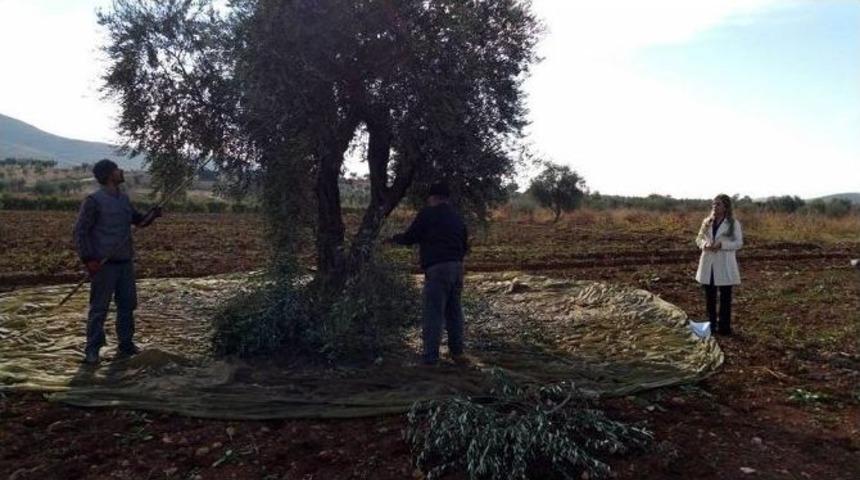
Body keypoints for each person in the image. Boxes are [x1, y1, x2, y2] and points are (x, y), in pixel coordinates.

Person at [74, 159, 162, 364]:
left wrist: (152, 215)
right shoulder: (93, 201)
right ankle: (92, 349)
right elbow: (80, 232)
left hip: (125, 262)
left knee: (127, 305)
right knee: (99, 308)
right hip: (103, 265)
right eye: (116, 170)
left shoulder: (123, 199)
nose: (120, 171)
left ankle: (126, 344)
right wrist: (88, 259)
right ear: (108, 175)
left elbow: (138, 221)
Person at [386, 182, 469, 366]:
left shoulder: (427, 214)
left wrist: (393, 239)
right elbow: (464, 245)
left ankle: (430, 358)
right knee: (454, 311)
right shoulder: (457, 216)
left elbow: (410, 237)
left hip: (437, 268)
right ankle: (457, 353)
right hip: (457, 267)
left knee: (433, 313)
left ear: (432, 197)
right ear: (447, 198)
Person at [695, 194, 743, 336]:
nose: (715, 207)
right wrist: (705, 244)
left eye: (718, 204)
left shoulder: (733, 223)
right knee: (710, 298)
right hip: (709, 263)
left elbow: (738, 243)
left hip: (724, 264)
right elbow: (698, 238)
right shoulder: (707, 222)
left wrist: (722, 245)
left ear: (726, 207)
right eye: (714, 204)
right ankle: (711, 326)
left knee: (725, 298)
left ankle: (724, 328)